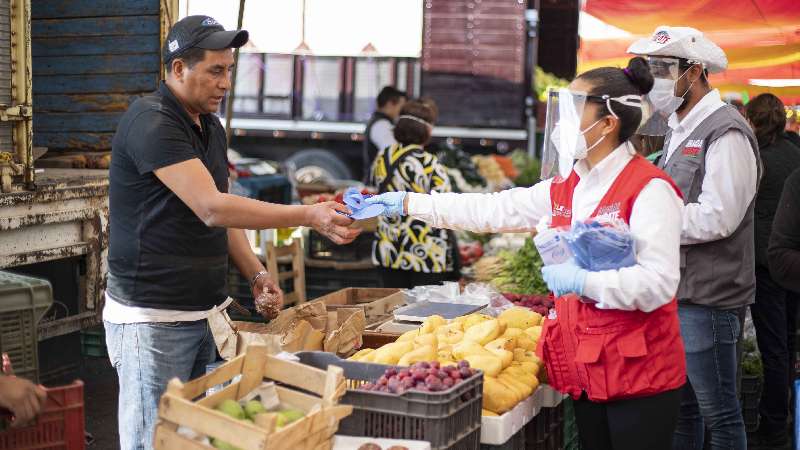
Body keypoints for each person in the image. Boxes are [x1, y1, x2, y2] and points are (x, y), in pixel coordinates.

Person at [367, 57, 687, 450]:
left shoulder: (651, 190)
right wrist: (406, 203)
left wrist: (581, 280)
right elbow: (489, 210)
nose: (562, 122)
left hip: (639, 375)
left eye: (574, 109)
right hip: (587, 366)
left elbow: (658, 283)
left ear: (608, 123)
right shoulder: (566, 186)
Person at [105, 16, 359, 450]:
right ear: (179, 69)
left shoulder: (211, 128)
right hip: (154, 322)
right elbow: (211, 208)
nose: (225, 83)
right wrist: (308, 214)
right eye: (215, 71)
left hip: (207, 315)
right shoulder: (152, 120)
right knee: (155, 439)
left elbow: (224, 215)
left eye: (229, 70)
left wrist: (257, 274)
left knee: (206, 437)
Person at [627, 26, 760, 450]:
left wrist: (650, 218)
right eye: (654, 68)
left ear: (696, 72)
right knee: (681, 410)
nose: (658, 79)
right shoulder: (676, 130)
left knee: (719, 414)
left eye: (665, 68)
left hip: (710, 299)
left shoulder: (728, 132)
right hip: (676, 293)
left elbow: (720, 218)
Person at [745, 93, 800, 449]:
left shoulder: (754, 161)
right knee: (789, 343)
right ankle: (788, 416)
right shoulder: (795, 154)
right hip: (794, 264)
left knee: (774, 347)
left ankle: (775, 422)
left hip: (766, 265)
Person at [371, 98, 458, 288]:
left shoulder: (382, 157)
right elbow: (445, 204)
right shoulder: (429, 163)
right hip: (424, 252)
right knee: (423, 314)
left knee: (392, 308)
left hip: (388, 248)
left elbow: (375, 186)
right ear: (426, 131)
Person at [363, 86, 407, 182]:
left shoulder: (381, 123)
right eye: (401, 107)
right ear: (390, 104)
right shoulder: (382, 125)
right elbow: (394, 153)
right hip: (378, 186)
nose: (402, 112)